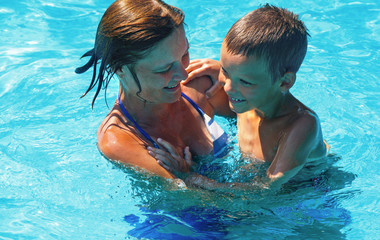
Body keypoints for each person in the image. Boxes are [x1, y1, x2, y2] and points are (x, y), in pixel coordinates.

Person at [150, 4, 330, 189]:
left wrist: (190, 177)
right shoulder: (250, 98)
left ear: (284, 82)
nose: (227, 87)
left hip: (308, 190)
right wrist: (219, 69)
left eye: (244, 81)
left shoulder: (301, 125)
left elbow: (264, 189)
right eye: (225, 71)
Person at [75, 0, 234, 179]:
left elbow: (265, 119)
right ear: (119, 68)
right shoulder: (120, 140)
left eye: (184, 55)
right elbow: (190, 200)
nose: (182, 74)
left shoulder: (202, 85)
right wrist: (184, 178)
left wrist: (233, 77)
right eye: (163, 69)